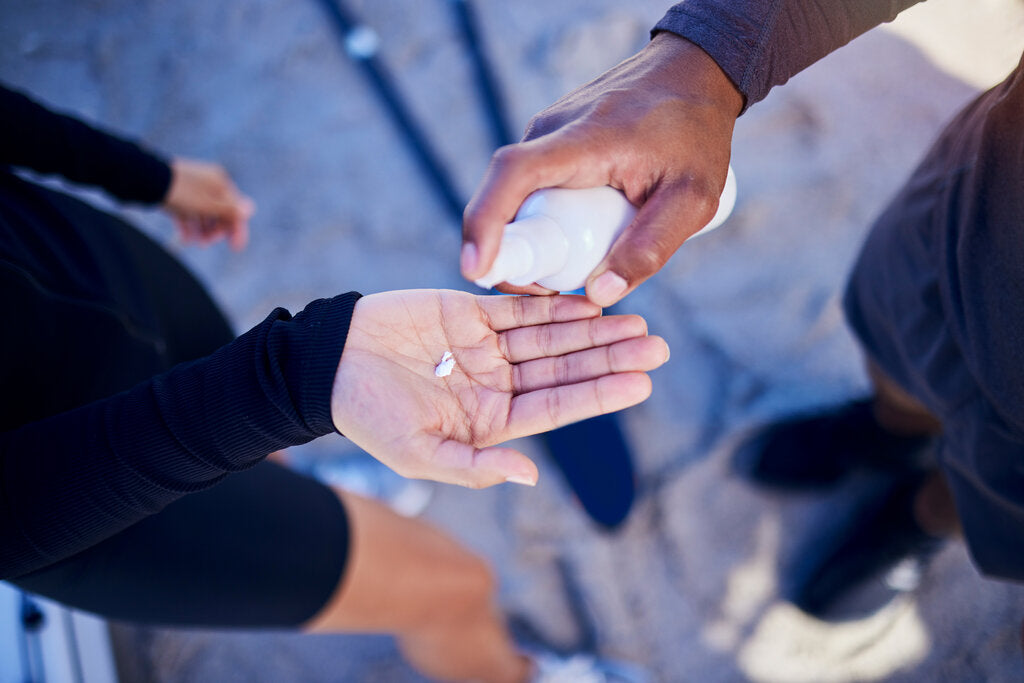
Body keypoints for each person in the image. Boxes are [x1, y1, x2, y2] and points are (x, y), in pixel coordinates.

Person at [0, 83, 670, 682]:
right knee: (457, 587)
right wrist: (296, 379)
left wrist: (142, 174)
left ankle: (302, 477)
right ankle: (517, 676)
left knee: (260, 436)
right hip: (89, 505)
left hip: (80, 264)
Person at [461, 0, 1024, 617]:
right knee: (891, 331)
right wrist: (703, 61)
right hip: (974, 210)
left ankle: (925, 515)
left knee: (999, 495)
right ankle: (891, 435)